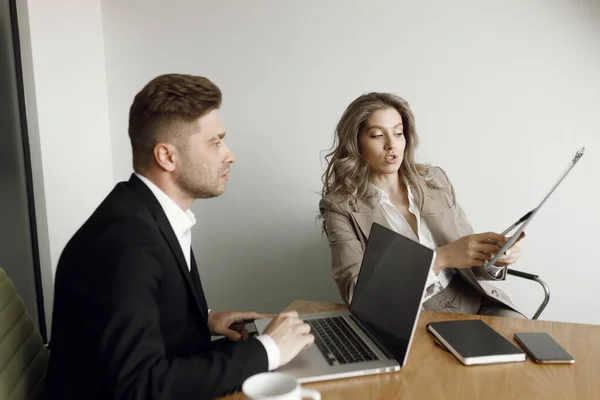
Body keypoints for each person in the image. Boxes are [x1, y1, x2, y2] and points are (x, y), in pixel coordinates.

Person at [43, 73, 314, 400]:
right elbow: (138, 387)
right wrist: (268, 349)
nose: (229, 154)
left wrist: (204, 320)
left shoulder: (143, 212)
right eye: (214, 142)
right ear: (167, 157)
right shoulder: (124, 244)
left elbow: (135, 313)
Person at [319, 92, 526, 318]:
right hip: (409, 317)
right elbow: (356, 292)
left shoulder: (435, 180)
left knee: (527, 343)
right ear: (356, 142)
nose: (391, 144)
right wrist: (440, 259)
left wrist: (495, 258)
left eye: (398, 133)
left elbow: (469, 260)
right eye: (378, 135)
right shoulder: (340, 206)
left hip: (477, 300)